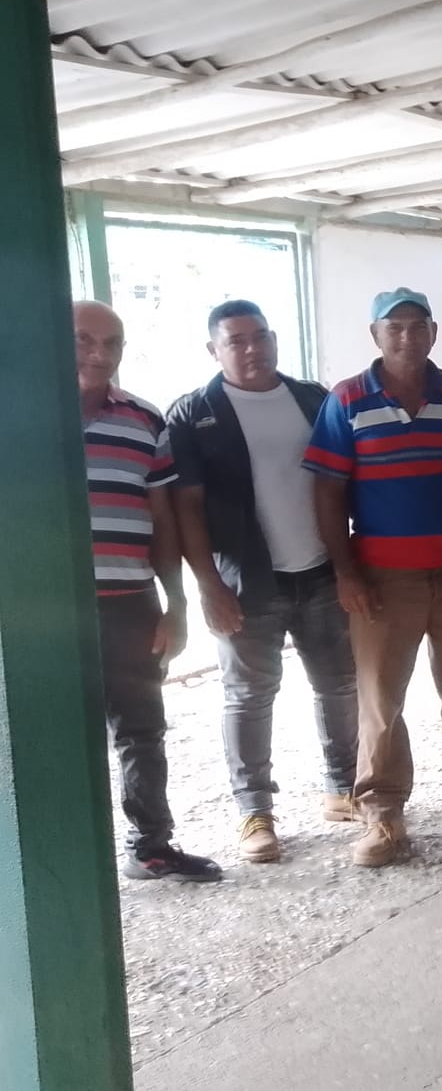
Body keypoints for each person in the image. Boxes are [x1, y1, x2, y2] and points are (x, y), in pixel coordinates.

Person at [304, 288, 442, 868]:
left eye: (417, 325)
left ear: (433, 332)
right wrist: (345, 572)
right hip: (380, 579)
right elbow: (326, 490)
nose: (407, 336)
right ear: (375, 335)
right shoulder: (347, 399)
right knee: (381, 700)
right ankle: (383, 816)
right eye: (394, 326)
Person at [166, 299, 357, 865]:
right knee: (249, 696)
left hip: (320, 571)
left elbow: (346, 481)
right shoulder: (194, 412)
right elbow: (187, 507)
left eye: (260, 337)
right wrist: (208, 586)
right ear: (214, 350)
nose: (252, 349)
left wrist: (351, 565)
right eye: (236, 341)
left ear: (274, 339)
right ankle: (255, 812)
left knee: (339, 684)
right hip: (246, 583)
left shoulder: (312, 399)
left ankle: (343, 788)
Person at [74, 301, 221, 884]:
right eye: (83, 340)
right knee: (51, 734)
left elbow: (162, 519)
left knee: (141, 730)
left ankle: (150, 846)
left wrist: (176, 604)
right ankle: (57, 859)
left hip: (128, 605)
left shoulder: (142, 420)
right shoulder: (17, 412)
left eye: (112, 343)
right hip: (41, 614)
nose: (99, 354)